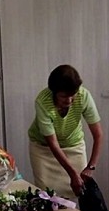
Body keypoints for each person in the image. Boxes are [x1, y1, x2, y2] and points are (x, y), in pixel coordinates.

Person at [28, 64, 103, 199]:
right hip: (44, 150)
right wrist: (72, 174)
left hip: (74, 146)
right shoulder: (43, 101)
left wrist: (91, 166)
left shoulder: (83, 96)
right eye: (64, 96)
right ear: (54, 92)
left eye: (72, 95)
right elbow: (53, 144)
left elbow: (98, 135)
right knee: (48, 196)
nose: (69, 100)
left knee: (80, 193)